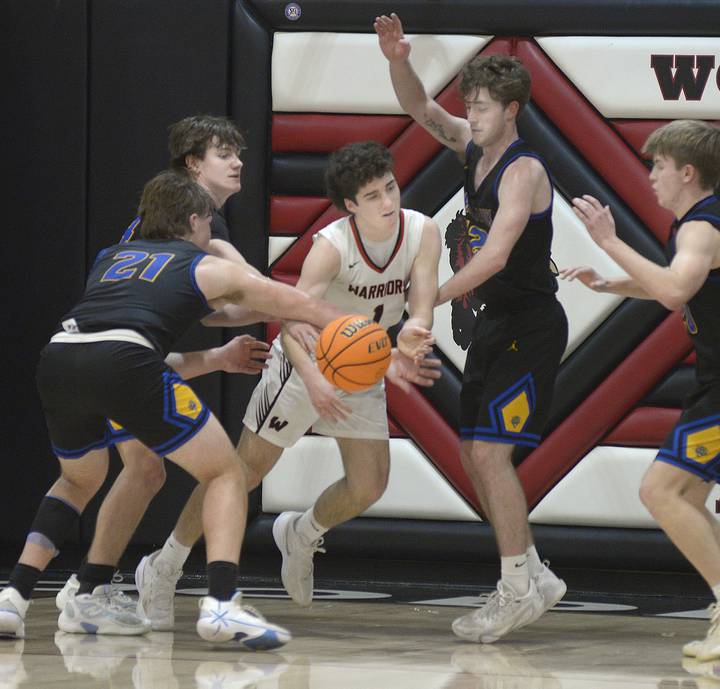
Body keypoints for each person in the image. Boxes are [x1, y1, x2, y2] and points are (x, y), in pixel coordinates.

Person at [0, 170, 346, 646]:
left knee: (78, 479)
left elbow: (126, 337)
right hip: (125, 363)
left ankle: (15, 598)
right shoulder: (205, 266)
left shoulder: (111, 258)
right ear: (194, 221)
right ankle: (223, 606)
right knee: (225, 471)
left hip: (60, 357)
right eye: (209, 223)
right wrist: (364, 330)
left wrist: (224, 353)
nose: (212, 232)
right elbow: (296, 303)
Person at [133, 141, 442, 628]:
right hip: (303, 363)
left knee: (369, 485)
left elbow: (422, 300)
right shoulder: (330, 247)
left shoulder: (424, 231)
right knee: (240, 472)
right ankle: (164, 565)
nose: (388, 201)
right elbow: (291, 323)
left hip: (362, 363)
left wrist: (414, 333)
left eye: (391, 187)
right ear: (350, 206)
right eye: (374, 195)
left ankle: (300, 533)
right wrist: (316, 380)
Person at [561, 119, 720, 660]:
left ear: (687, 171)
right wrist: (609, 280)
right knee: (686, 497)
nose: (652, 176)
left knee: (659, 491)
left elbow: (673, 291)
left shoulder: (701, 229)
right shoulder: (692, 227)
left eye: (658, 166)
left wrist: (610, 241)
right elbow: (672, 283)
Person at [375, 13, 568, 643]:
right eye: (471, 106)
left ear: (512, 110)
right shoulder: (471, 148)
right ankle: (533, 572)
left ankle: (515, 588)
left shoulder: (524, 170)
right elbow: (418, 107)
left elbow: (495, 257)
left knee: (490, 453)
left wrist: (425, 299)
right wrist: (398, 58)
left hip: (532, 327)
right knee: (471, 454)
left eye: (482, 107)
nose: (472, 115)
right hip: (495, 325)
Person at [48, 115, 267, 618]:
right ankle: (88, 588)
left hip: (113, 350)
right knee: (181, 470)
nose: (237, 163)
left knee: (144, 470)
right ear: (194, 164)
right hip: (121, 353)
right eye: (224, 154)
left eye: (240, 154)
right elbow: (248, 289)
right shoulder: (196, 218)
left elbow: (217, 312)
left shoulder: (176, 211)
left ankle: (86, 586)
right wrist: (305, 314)